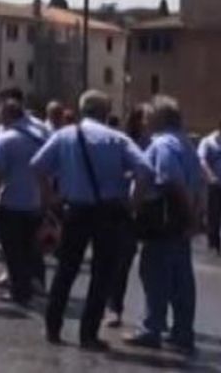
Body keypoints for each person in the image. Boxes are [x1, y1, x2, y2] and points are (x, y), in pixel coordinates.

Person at [32, 90, 152, 351]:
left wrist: (50, 197)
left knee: (66, 270)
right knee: (102, 275)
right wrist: (133, 203)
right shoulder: (117, 139)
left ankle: (53, 327)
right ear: (106, 111)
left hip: (75, 210)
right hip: (108, 212)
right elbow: (145, 170)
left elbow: (38, 165)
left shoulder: (64, 135)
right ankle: (88, 335)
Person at [125, 96, 204, 354]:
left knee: (155, 273)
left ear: (159, 119)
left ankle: (151, 328)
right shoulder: (186, 144)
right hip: (181, 220)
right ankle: (182, 331)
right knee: (181, 278)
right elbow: (198, 184)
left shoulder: (162, 146)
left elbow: (171, 181)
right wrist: (194, 217)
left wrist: (187, 216)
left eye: (148, 117)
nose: (144, 122)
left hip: (163, 220)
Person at [0, 98, 46, 305]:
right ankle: (28, 285)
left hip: (11, 201)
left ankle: (19, 292)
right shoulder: (40, 137)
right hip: (35, 202)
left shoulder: (6, 140)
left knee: (12, 251)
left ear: (7, 115)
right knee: (29, 248)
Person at [108, 104, 152, 328]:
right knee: (115, 258)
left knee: (126, 258)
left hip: (140, 208)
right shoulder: (121, 141)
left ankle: (119, 307)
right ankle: (113, 307)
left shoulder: (152, 144)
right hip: (119, 205)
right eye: (145, 119)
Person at [199, 120, 221, 255]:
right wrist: (210, 175)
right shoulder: (208, 141)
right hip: (214, 184)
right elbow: (201, 160)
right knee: (213, 214)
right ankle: (213, 244)